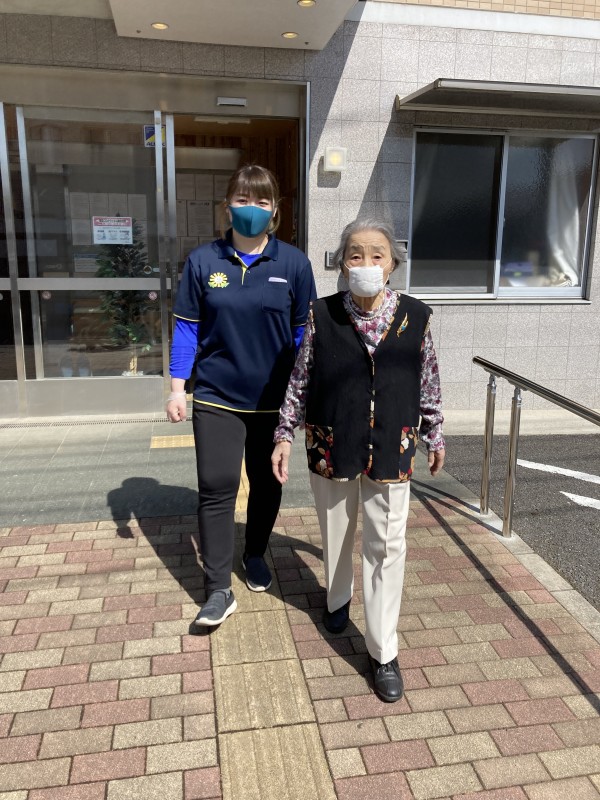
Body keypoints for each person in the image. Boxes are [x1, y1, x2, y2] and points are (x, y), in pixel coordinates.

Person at [271, 218, 445, 703]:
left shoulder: (416, 316)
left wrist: (435, 432)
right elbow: (301, 378)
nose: (366, 263)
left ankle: (383, 651)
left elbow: (428, 379)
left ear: (392, 264)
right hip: (333, 440)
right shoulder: (321, 314)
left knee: (387, 546)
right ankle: (336, 598)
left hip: (393, 443)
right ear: (343, 265)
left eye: (376, 255)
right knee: (336, 531)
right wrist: (284, 433)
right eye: (355, 255)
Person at [167, 164, 316, 627]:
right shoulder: (203, 261)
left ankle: (253, 553)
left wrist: (306, 398)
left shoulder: (293, 264)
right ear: (228, 206)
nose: (252, 209)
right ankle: (217, 588)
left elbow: (303, 337)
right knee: (216, 486)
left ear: (275, 210)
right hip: (216, 396)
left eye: (262, 201)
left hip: (275, 400)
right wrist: (177, 388)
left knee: (268, 484)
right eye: (243, 200)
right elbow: (187, 329)